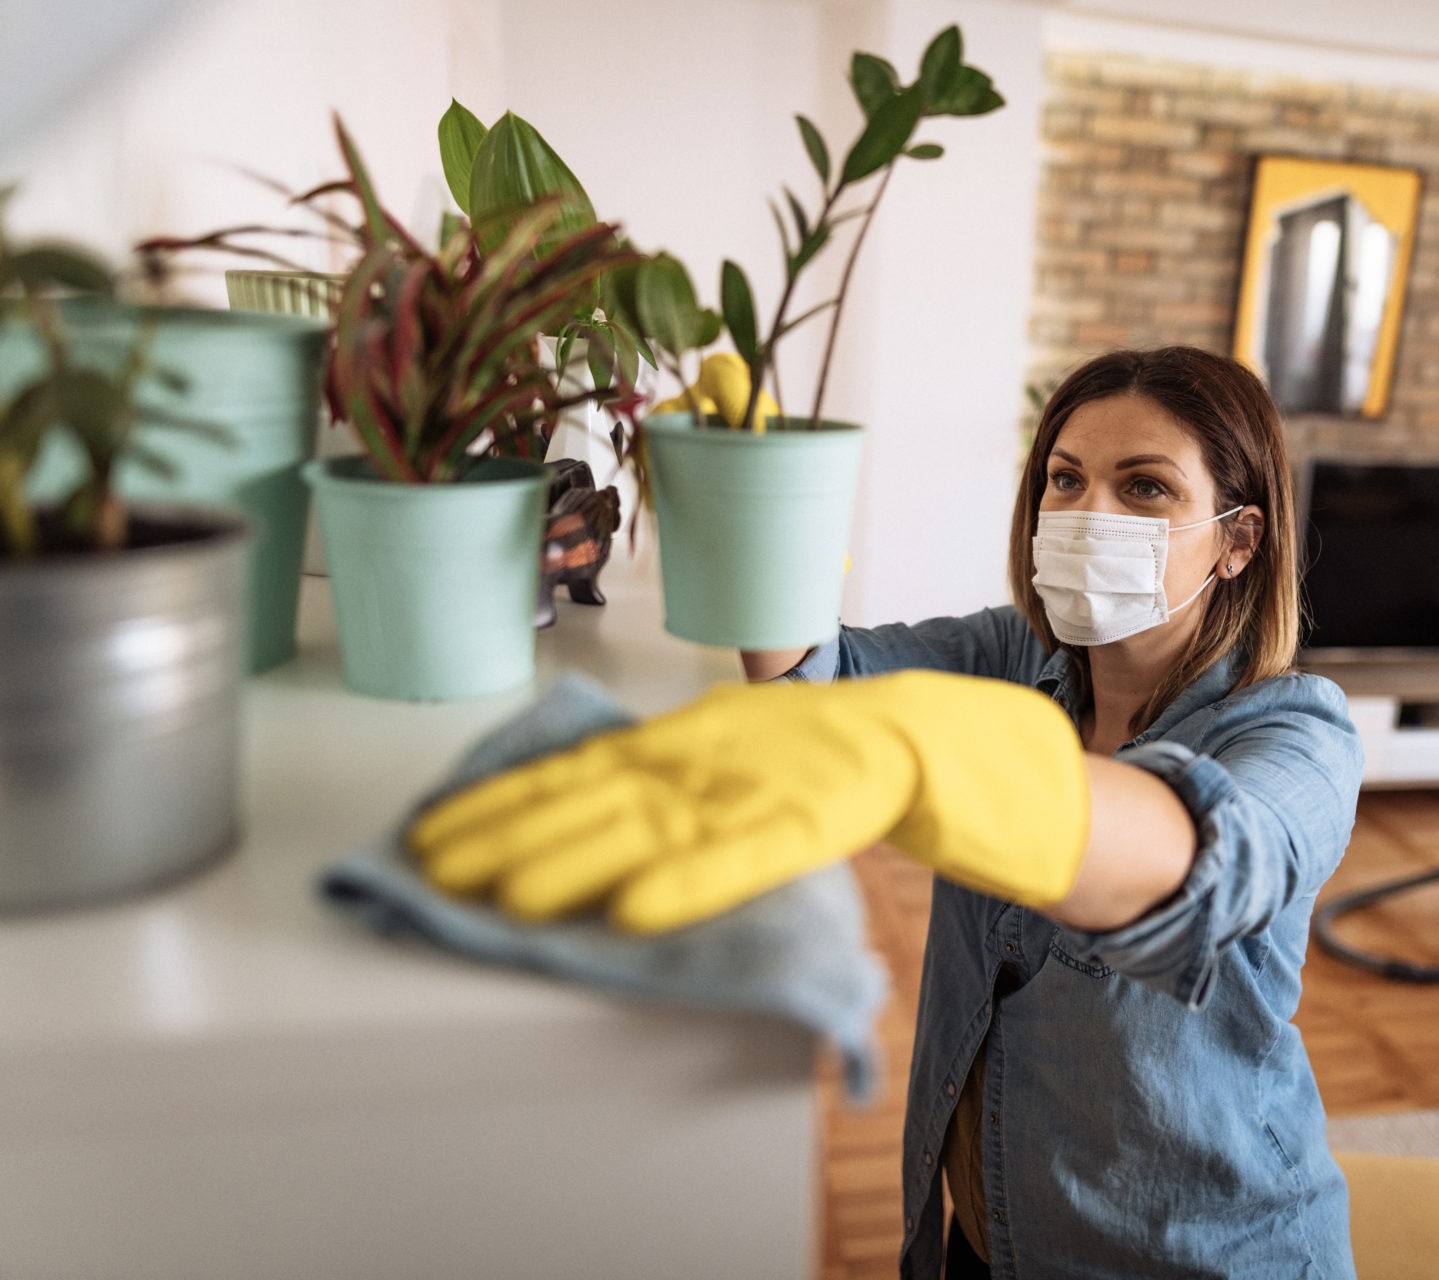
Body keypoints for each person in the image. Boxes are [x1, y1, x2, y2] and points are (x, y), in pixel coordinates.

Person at [410, 345, 1363, 1278]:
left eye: (1145, 488)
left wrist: (928, 754)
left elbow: (1208, 856)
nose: (1085, 512)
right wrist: (755, 496)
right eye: (1064, 480)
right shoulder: (1007, 656)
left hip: (1200, 1253)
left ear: (1239, 540)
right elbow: (806, 677)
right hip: (983, 1228)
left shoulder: (1299, 732)